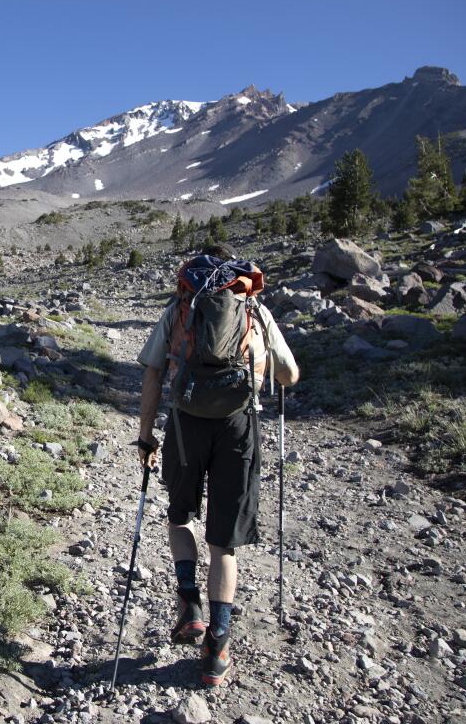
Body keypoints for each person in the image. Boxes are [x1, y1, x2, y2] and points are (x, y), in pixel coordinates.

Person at [135, 243, 299, 687]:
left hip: (186, 425)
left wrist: (146, 435)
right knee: (223, 543)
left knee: (181, 515)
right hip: (238, 428)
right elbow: (290, 375)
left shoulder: (180, 307)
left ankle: (189, 604)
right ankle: (218, 645)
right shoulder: (254, 309)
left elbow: (152, 371)